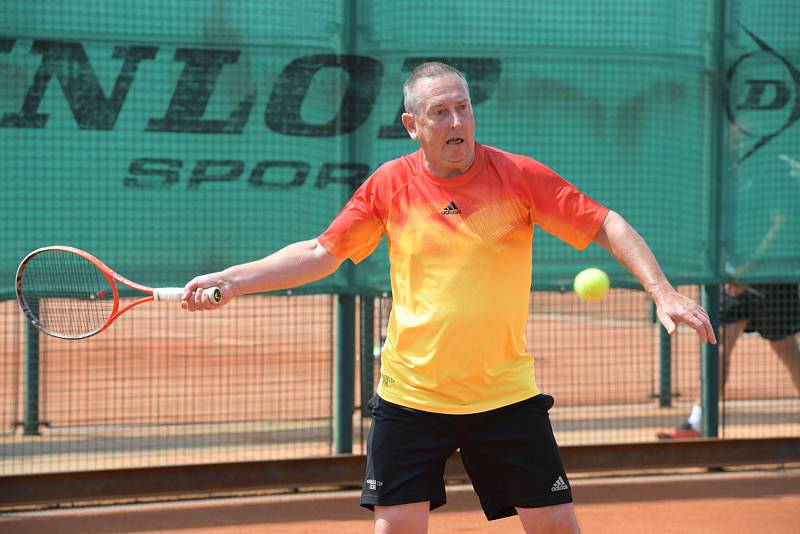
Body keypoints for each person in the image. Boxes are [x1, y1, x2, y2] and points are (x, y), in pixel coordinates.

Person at [182, 62, 716, 534]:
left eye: (463, 108)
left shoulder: (519, 177)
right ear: (412, 124)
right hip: (413, 397)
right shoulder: (389, 185)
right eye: (440, 113)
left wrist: (662, 290)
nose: (457, 122)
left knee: (556, 527)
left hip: (504, 395)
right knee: (395, 528)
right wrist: (234, 278)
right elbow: (321, 252)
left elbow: (605, 223)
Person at [657, 283, 800, 439]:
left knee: (788, 353)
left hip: (770, 283)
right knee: (718, 349)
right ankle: (697, 423)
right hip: (733, 284)